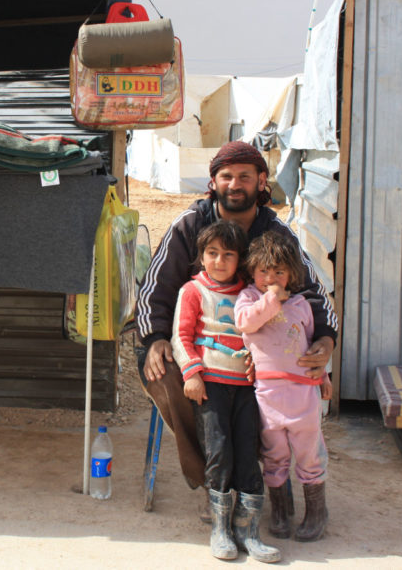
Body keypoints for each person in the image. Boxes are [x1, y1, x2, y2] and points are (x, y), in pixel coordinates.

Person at [135, 140, 338, 519]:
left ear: (262, 181)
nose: (235, 184)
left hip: (257, 350)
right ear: (213, 182)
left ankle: (270, 486)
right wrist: (154, 339)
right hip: (193, 346)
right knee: (171, 378)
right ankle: (216, 486)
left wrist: (325, 340)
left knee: (278, 387)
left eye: (245, 176)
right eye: (226, 176)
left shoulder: (276, 231)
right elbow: (152, 290)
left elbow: (314, 292)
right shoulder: (190, 225)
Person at [171, 220, 280, 563]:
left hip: (247, 386)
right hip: (211, 385)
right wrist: (192, 373)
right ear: (201, 257)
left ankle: (248, 530)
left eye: (228, 255)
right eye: (212, 253)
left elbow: (265, 331)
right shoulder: (193, 291)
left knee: (249, 450)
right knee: (219, 450)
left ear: (240, 260)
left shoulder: (250, 293)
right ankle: (220, 529)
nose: (219, 261)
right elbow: (181, 336)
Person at [234, 231, 330, 544]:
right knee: (274, 453)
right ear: (253, 272)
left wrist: (323, 375)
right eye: (264, 271)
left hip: (303, 392)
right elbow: (247, 323)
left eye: (279, 272)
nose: (271, 278)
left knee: (308, 452)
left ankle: (316, 511)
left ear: (291, 274)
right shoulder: (249, 299)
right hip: (268, 394)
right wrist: (271, 298)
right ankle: (280, 509)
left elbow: (312, 346)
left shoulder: (302, 304)